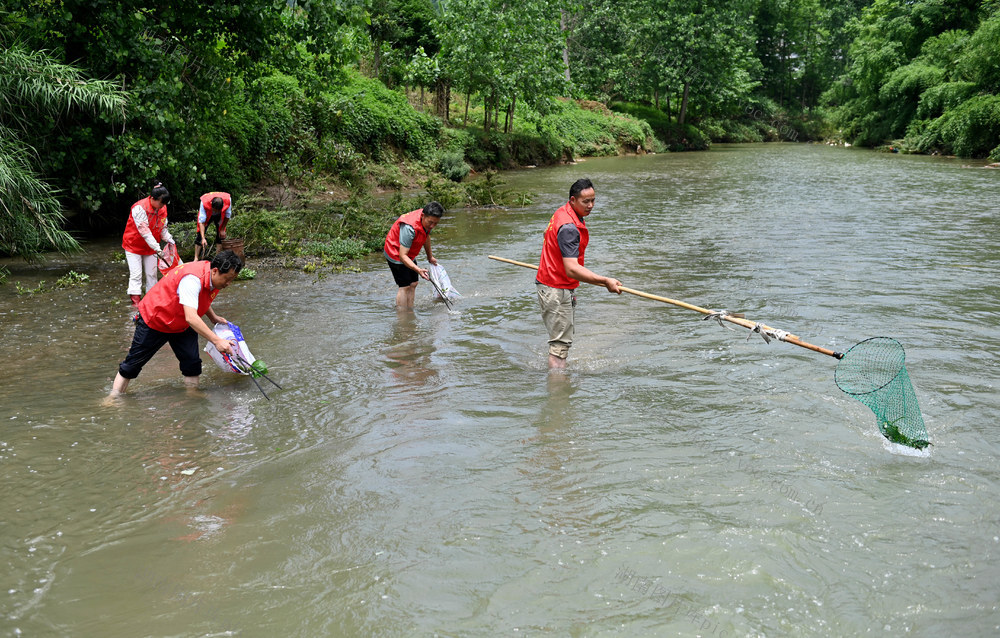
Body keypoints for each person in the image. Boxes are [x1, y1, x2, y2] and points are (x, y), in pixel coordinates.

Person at [108, 250, 243, 397]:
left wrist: (213, 316)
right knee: (132, 364)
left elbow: (200, 298)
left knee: (192, 363)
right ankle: (113, 397)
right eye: (227, 279)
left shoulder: (210, 275)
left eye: (232, 280)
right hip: (156, 319)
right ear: (215, 271)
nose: (228, 284)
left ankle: (192, 395)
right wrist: (217, 341)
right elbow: (192, 317)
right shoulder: (192, 279)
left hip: (181, 323)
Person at [536, 178, 622, 369]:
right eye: (586, 201)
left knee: (560, 343)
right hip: (556, 290)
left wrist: (552, 258)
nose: (590, 205)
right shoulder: (569, 228)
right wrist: (606, 280)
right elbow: (572, 269)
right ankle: (559, 391)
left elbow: (545, 233)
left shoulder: (562, 212)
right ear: (573, 200)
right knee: (559, 348)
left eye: (593, 200)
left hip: (551, 283)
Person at [122, 182, 176, 305]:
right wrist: (158, 249)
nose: (162, 206)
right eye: (161, 203)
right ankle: (136, 305)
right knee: (136, 275)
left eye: (164, 204)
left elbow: (162, 229)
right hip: (133, 245)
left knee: (152, 275)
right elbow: (145, 232)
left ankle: (151, 303)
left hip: (151, 247)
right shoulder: (139, 208)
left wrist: (170, 240)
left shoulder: (162, 208)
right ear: (152, 198)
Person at [383, 201, 444, 308]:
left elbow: (426, 236)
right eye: (430, 222)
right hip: (395, 253)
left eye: (436, 223)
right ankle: (403, 315)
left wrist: (430, 257)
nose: (432, 226)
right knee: (405, 286)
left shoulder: (427, 221)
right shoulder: (409, 228)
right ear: (423, 216)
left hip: (408, 253)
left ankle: (410, 309)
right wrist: (418, 270)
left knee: (414, 283)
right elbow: (402, 256)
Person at [194, 191, 232, 260]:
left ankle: (217, 258)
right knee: (200, 235)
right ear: (211, 204)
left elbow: (227, 215)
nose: (216, 212)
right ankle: (196, 258)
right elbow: (201, 222)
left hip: (220, 215)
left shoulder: (227, 200)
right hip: (208, 213)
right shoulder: (204, 202)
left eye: (218, 210)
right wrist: (203, 238)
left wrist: (222, 229)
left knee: (221, 235)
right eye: (215, 210)